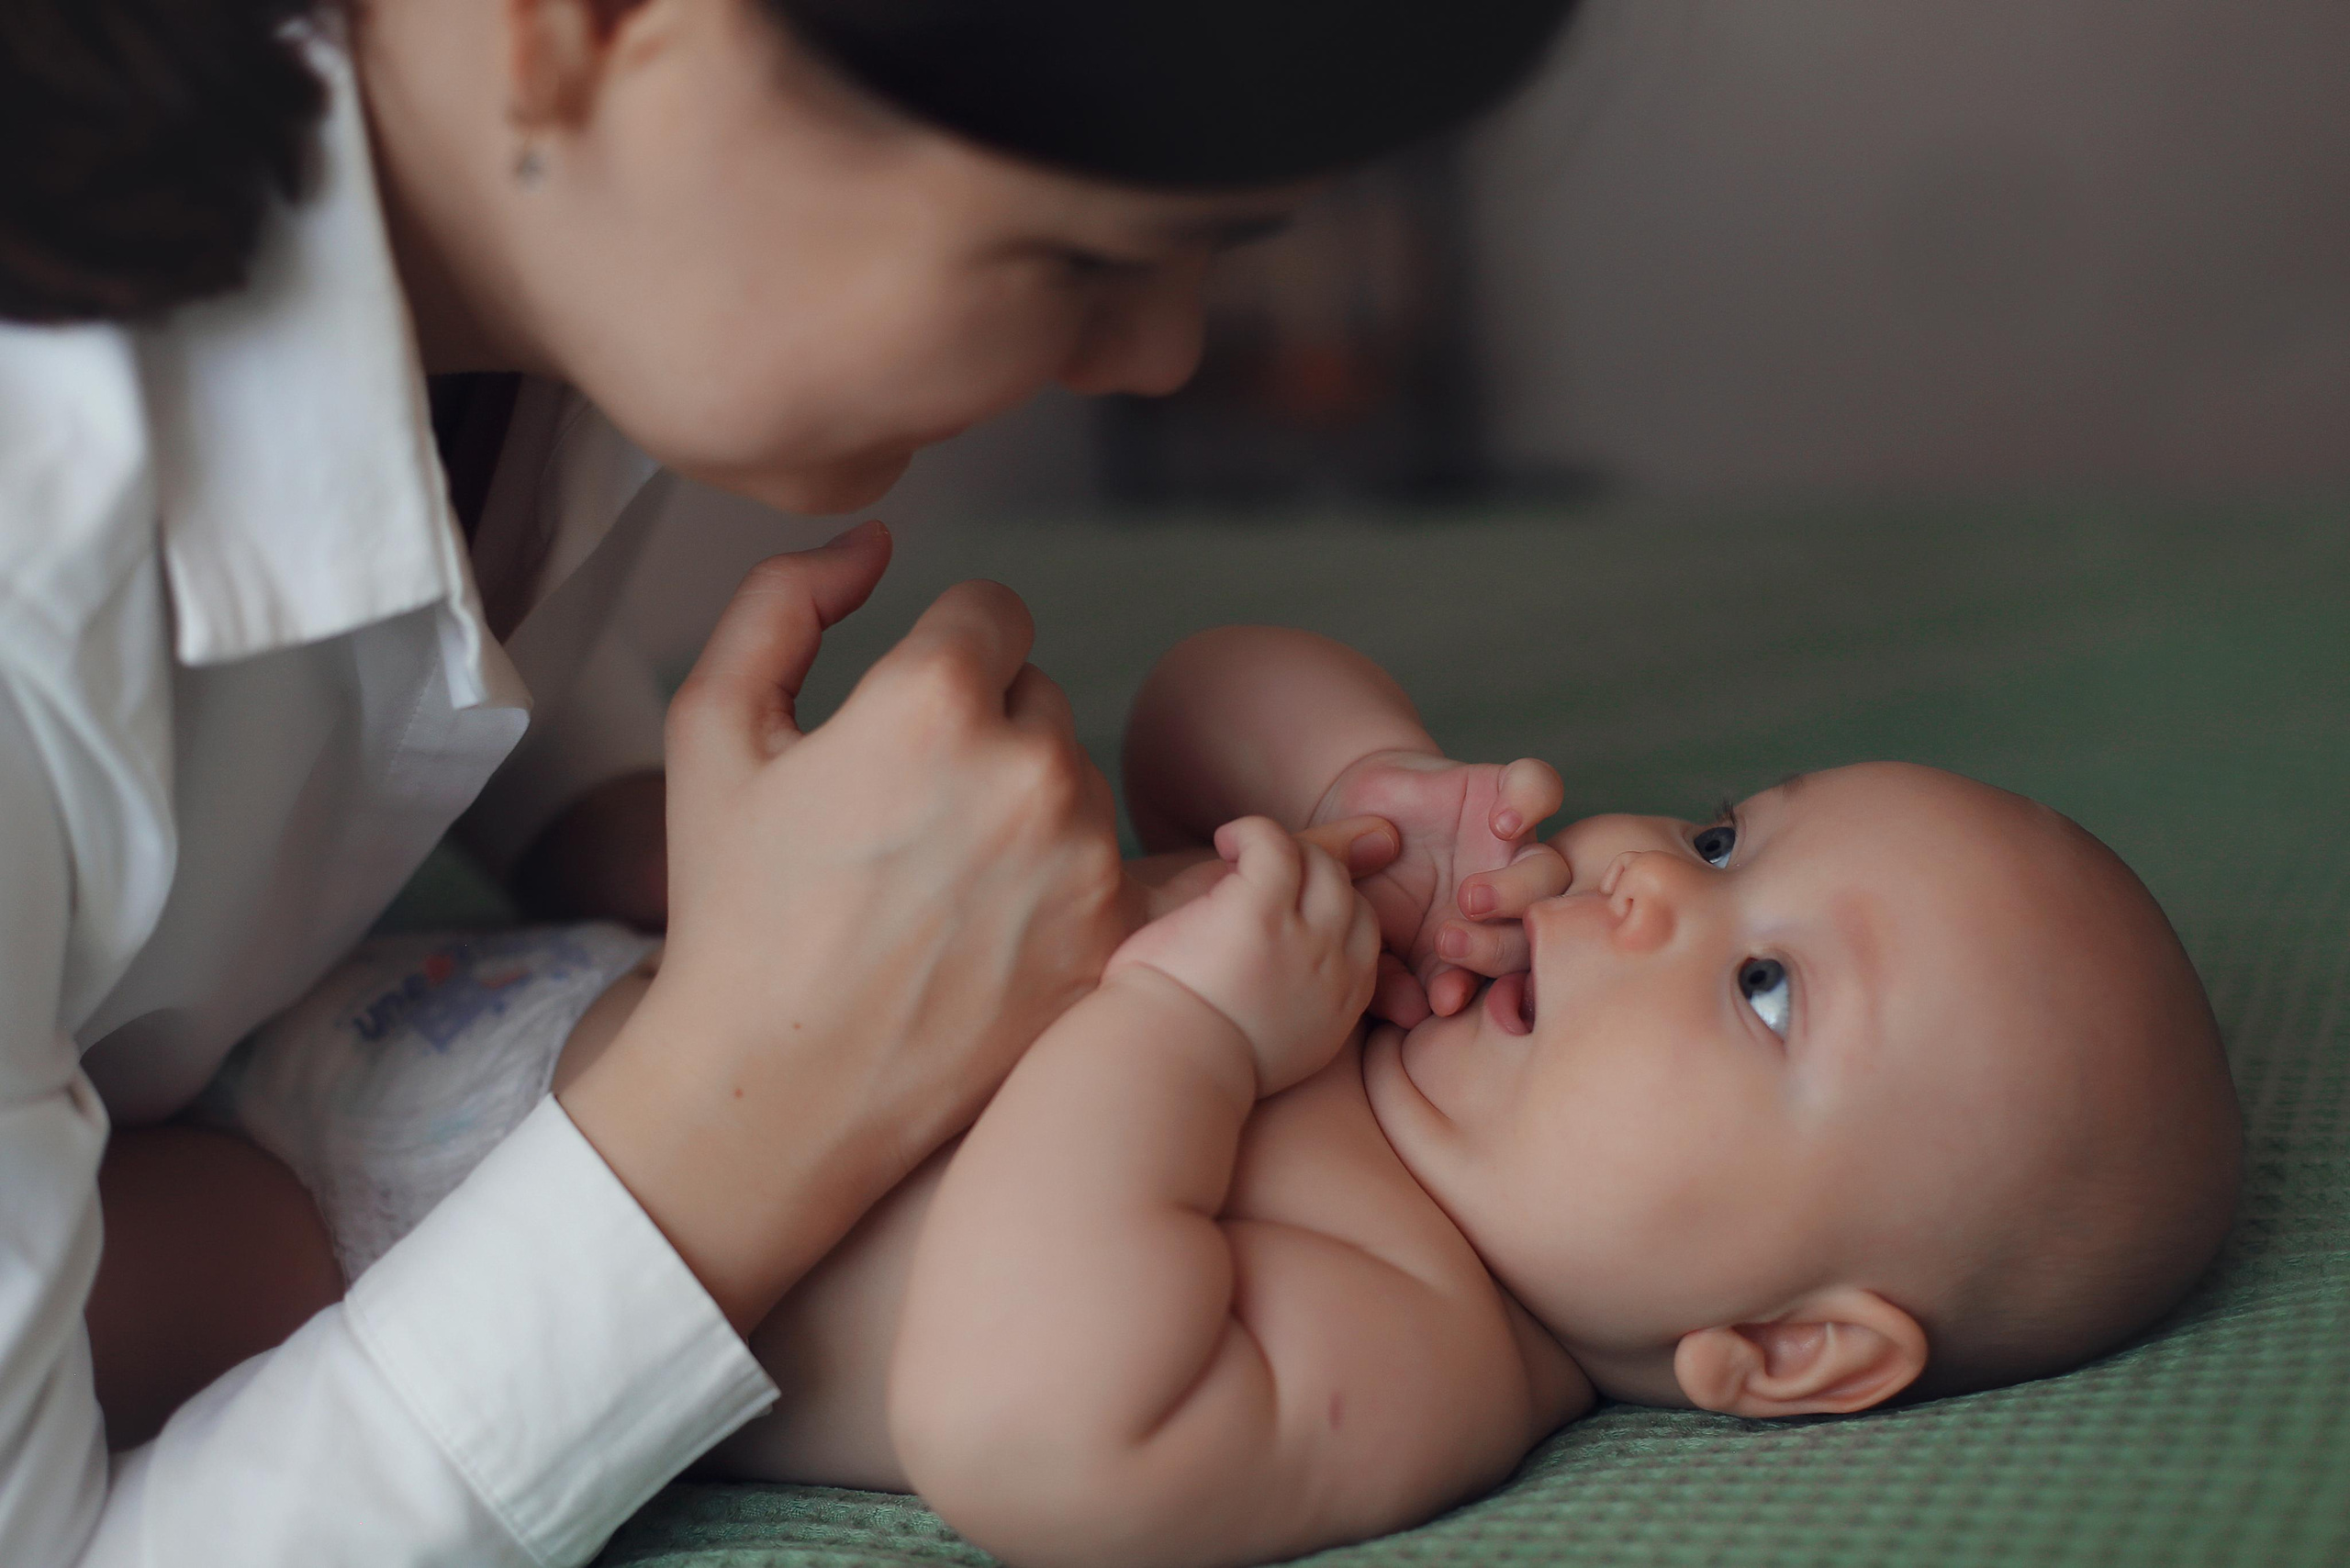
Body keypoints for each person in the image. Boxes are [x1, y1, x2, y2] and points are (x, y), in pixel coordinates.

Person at [0, 0, 1580, 1561]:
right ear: (586, 27)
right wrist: (754, 1095)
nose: (1161, 359)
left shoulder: (528, 263)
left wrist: (611, 822)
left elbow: (360, 582)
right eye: (1083, 260)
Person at [93, 552, 2244, 1568]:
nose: (1651, 896)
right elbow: (1201, 698)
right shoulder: (1423, 988)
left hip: (400, 1249)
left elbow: (1023, 1422)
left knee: (85, 1296)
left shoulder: (1411, 1347)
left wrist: (1193, 1032)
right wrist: (1360, 776)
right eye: (1718, 831)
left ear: (1782, 1349)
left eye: (1763, 986)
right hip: (560, 962)